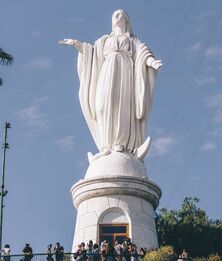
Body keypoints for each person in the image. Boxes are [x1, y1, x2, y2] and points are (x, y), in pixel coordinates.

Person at [59, 10, 162, 157]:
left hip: (125, 73)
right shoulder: (105, 40)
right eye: (115, 14)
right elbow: (91, 54)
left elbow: (143, 53)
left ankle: (120, 143)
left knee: (121, 106)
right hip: (107, 72)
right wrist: (76, 44)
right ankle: (106, 144)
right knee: (102, 105)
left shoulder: (133, 40)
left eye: (120, 14)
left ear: (126, 20)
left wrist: (152, 62)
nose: (117, 16)